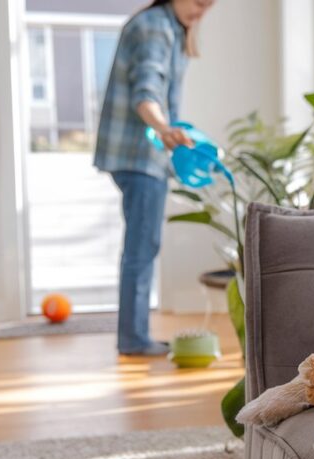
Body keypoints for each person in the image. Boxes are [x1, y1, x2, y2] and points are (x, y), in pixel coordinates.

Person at [93, 0, 215, 355]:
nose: (201, 11)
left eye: (209, 5)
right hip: (138, 155)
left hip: (142, 156)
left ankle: (133, 335)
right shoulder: (154, 27)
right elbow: (145, 90)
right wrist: (163, 128)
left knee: (141, 246)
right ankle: (132, 338)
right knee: (141, 247)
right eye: (198, 1)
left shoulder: (170, 28)